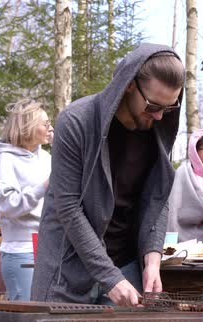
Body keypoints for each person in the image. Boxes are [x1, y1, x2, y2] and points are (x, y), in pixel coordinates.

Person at [31, 44, 185, 307]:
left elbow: (157, 197)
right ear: (128, 85)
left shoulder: (157, 131)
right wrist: (109, 276)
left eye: (169, 108)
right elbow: (68, 207)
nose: (159, 116)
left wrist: (152, 259)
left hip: (126, 267)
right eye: (153, 106)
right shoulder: (76, 122)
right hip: (67, 270)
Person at [0, 99, 53, 301]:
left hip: (47, 248)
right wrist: (43, 186)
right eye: (45, 123)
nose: (50, 127)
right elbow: (8, 204)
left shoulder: (46, 157)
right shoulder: (4, 160)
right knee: (26, 318)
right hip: (21, 249)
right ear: (29, 127)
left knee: (47, 318)